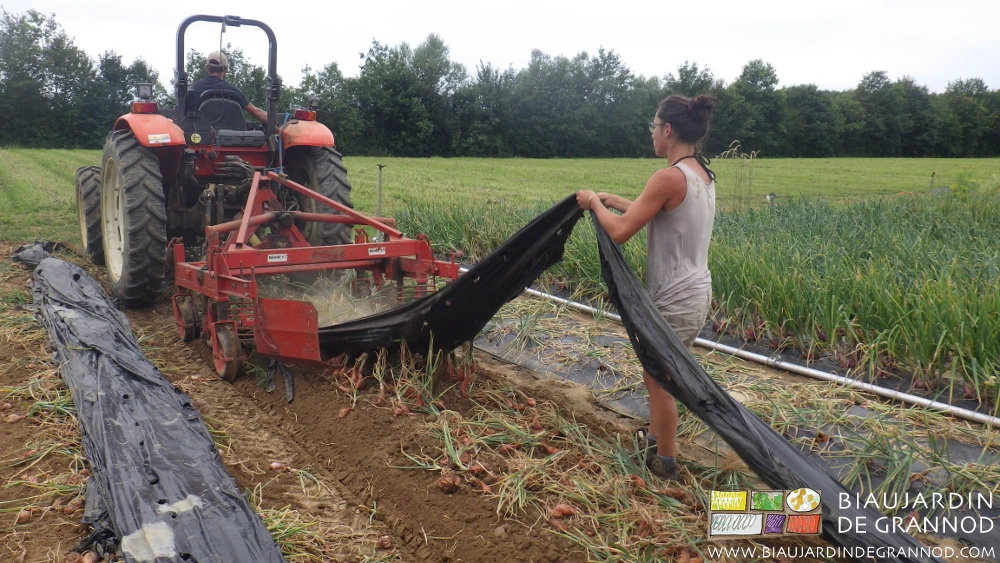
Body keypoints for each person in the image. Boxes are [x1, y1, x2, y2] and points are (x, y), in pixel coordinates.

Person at [576, 94, 719, 481]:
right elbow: (660, 212)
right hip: (695, 291)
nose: (652, 134)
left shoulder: (667, 176)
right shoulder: (700, 174)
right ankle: (654, 440)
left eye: (654, 127)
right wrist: (613, 200)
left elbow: (621, 232)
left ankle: (666, 462)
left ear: (668, 131)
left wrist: (592, 203)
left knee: (660, 380)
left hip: (674, 296)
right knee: (657, 372)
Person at [186, 51, 267, 123]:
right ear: (226, 69)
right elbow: (254, 112)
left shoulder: (194, 88)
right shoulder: (233, 91)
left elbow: (182, 116)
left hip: (200, 137)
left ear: (207, 67)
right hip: (233, 138)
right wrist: (275, 123)